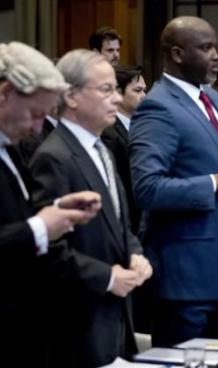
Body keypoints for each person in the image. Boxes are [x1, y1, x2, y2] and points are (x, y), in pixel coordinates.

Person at [129, 16, 218, 347]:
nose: (216, 55)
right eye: (206, 48)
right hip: (185, 281)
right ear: (177, 54)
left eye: (216, 46)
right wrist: (216, 183)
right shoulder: (157, 108)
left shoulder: (215, 100)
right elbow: (146, 189)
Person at [30, 49, 152, 367]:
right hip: (79, 320)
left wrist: (136, 254)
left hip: (117, 316)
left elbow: (119, 224)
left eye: (116, 89)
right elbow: (48, 248)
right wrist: (108, 277)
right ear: (70, 95)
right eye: (105, 89)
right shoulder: (53, 157)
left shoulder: (103, 148)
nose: (115, 99)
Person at [0, 41, 102, 367]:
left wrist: (58, 207)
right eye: (34, 114)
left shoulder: (11, 146)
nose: (37, 127)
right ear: (5, 93)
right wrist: (41, 227)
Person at [102, 64, 146, 234]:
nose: (144, 96)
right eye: (137, 91)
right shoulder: (109, 133)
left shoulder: (141, 127)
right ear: (118, 92)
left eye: (144, 90)